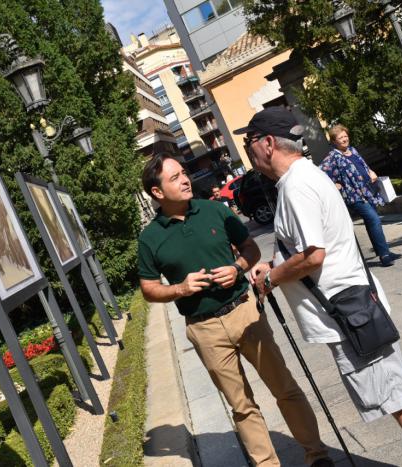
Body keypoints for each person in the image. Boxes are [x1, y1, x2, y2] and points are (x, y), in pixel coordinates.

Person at [137, 152, 332, 467]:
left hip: (245, 311)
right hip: (204, 328)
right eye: (175, 178)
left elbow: (250, 249)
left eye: (183, 173)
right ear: (157, 192)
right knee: (241, 406)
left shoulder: (214, 210)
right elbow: (148, 288)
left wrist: (237, 267)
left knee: (284, 386)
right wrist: (180, 289)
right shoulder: (149, 239)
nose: (186, 180)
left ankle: (317, 454)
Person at [241, 107, 402, 444]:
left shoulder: (297, 186)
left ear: (269, 143)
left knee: (398, 399)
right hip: (350, 309)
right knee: (395, 395)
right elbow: (305, 246)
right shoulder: (303, 177)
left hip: (349, 313)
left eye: (250, 142)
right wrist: (273, 264)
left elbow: (313, 255)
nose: (249, 150)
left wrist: (271, 279)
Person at [319, 125, 402, 267]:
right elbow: (321, 175)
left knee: (372, 222)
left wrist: (371, 172)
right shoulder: (333, 157)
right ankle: (384, 255)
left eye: (345, 136)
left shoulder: (353, 150)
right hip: (354, 196)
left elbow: (362, 165)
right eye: (340, 138)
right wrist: (336, 185)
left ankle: (384, 250)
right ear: (334, 141)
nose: (345, 139)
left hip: (368, 192)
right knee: (374, 219)